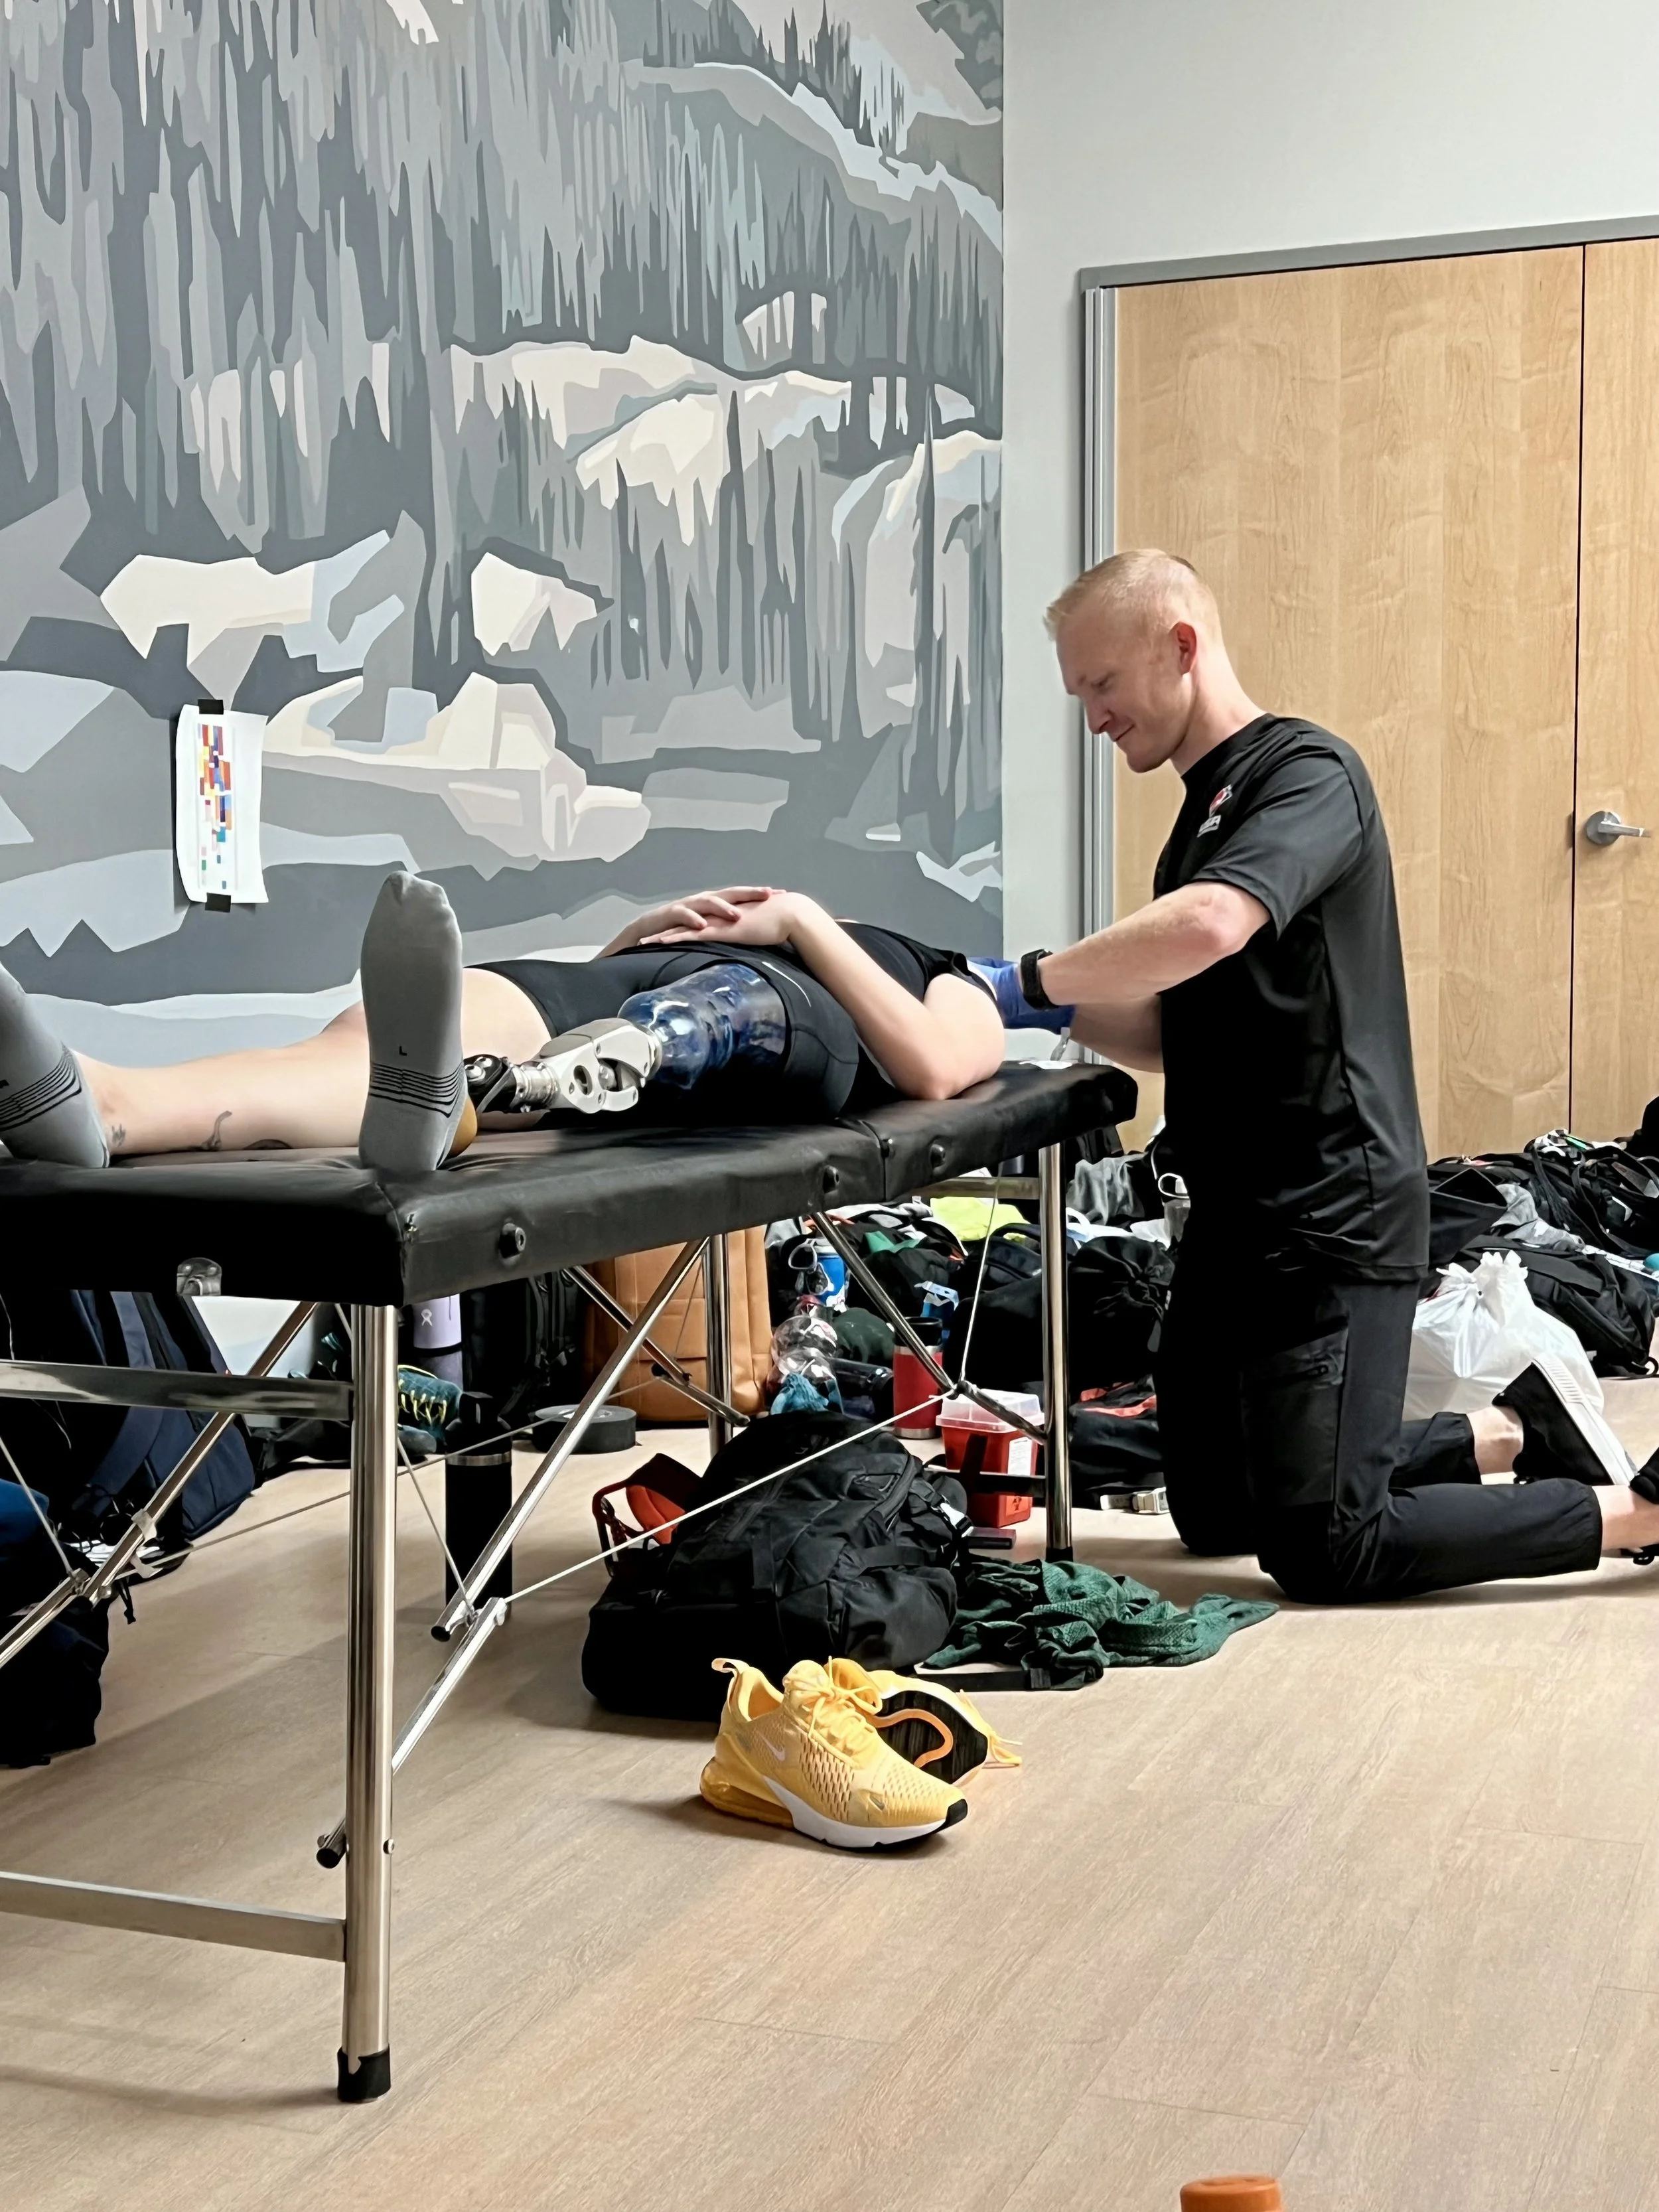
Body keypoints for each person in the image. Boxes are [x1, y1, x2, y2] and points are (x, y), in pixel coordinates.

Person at [1003, 546, 1659, 1597]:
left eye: (1103, 686)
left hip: (1329, 1220)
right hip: (1236, 1224)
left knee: (1324, 1551)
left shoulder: (1307, 776)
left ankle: (1633, 1515)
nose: (1094, 718)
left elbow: (1211, 924)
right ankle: (1507, 1432)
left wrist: (1022, 979)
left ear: (1181, 647)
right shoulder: (1206, 811)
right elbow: (1186, 1033)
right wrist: (1022, 1006)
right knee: (1213, 1513)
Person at [0, 879, 1007, 1173]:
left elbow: (929, 1067)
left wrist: (800, 920)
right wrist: (638, 935)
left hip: (769, 1031)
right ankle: (107, 1101)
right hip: (597, 992)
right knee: (344, 1056)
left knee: (715, 1022)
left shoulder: (949, 973)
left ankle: (489, 1089)